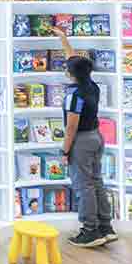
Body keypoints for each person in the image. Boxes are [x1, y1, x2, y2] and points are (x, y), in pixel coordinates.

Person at [54, 26, 117, 247]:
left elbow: (71, 128)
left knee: (83, 186)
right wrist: (64, 39)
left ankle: (90, 230)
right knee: (97, 181)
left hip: (80, 141)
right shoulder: (92, 85)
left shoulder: (73, 96)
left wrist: (64, 150)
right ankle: (105, 226)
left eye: (67, 67)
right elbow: (75, 59)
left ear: (70, 73)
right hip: (96, 137)